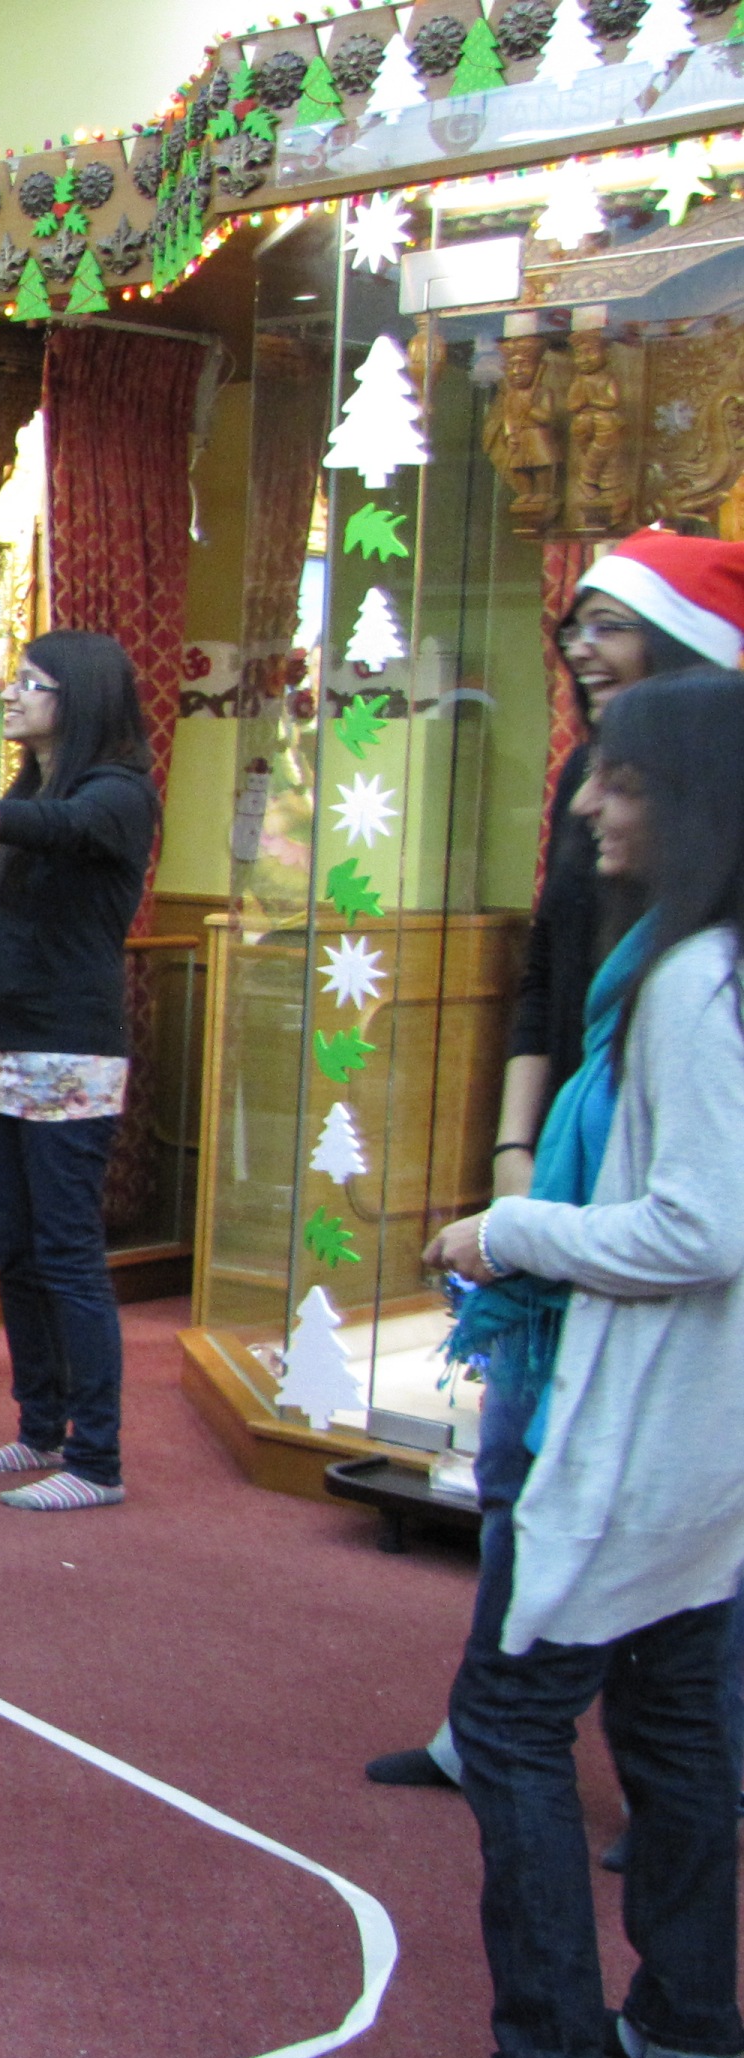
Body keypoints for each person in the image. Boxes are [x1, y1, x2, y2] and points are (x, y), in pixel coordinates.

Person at [377, 668, 744, 2058]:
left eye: (623, 784)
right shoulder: (702, 969)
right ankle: (690, 2017)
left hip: (652, 1427)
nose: (590, 806)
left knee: (514, 1720)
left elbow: (697, 1227)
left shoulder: (687, 986)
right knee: (671, 1720)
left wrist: (511, 1230)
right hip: (702, 1439)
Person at [366, 533, 744, 1826]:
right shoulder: (590, 779)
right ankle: (493, 1722)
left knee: (678, 1510)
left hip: (668, 1188)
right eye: (571, 621)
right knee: (526, 1456)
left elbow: (704, 1217)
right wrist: (519, 1162)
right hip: (579, 1161)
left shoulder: (705, 933)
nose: (577, 647)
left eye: (607, 622)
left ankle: (690, 1787)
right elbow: (544, 973)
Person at [0, 630, 161, 1513]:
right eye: (13, 680)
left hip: (71, 1050)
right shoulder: (35, 785)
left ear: (79, 699)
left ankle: (97, 1460)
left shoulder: (118, 794)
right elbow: (32, 849)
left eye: (31, 684)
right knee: (12, 1247)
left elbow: (68, 830)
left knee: (67, 1254)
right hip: (7, 1043)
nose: (10, 696)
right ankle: (39, 1425)